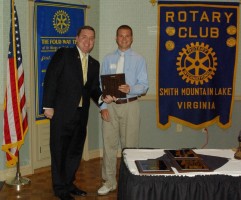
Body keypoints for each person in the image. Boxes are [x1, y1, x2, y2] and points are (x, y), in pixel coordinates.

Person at [42, 25, 113, 200]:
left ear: (94, 41)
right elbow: (51, 79)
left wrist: (104, 98)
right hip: (61, 115)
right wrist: (47, 106)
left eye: (91, 38)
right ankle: (60, 189)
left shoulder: (94, 64)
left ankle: (68, 184)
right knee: (59, 152)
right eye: (84, 37)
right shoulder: (64, 54)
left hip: (81, 117)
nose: (88, 41)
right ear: (76, 38)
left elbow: (94, 90)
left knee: (74, 153)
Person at [98, 25, 149, 195]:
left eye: (127, 36)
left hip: (130, 106)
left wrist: (131, 88)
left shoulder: (139, 59)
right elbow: (101, 85)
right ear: (116, 38)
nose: (124, 39)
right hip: (111, 107)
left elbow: (144, 85)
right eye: (121, 36)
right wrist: (103, 106)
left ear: (132, 38)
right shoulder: (108, 59)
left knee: (130, 147)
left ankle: (130, 182)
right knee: (109, 145)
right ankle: (109, 181)